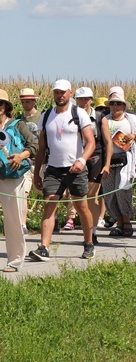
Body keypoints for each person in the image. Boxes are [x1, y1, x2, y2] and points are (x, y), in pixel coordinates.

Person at [30, 80, 96, 262]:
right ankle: (44, 247)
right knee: (50, 205)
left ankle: (89, 243)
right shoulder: (46, 116)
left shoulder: (79, 113)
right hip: (53, 168)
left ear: (70, 93)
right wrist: (37, 173)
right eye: (57, 92)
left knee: (82, 207)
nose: (60, 96)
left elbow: (90, 142)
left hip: (75, 168)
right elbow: (41, 148)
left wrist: (81, 160)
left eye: (63, 92)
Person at [0, 89, 38, 272]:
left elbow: (33, 145)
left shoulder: (19, 125)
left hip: (12, 174)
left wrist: (21, 156)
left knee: (13, 218)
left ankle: (15, 260)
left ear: (7, 106)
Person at [74, 86, 111, 245]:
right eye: (80, 99)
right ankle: (87, 230)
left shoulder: (99, 116)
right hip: (77, 157)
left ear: (91, 100)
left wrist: (107, 164)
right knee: (79, 197)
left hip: (95, 158)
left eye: (86, 99)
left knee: (91, 197)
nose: (83, 102)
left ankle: (92, 232)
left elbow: (108, 141)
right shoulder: (71, 115)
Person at [102, 89, 136, 237]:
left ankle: (127, 219)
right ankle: (119, 221)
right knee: (109, 192)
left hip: (126, 159)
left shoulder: (131, 120)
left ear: (124, 106)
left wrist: (133, 136)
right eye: (113, 103)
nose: (116, 107)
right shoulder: (105, 120)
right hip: (108, 160)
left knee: (122, 189)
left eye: (119, 104)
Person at [19, 87, 41, 234]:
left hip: (41, 159)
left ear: (33, 101)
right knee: (24, 193)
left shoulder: (42, 116)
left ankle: (54, 219)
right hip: (26, 160)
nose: (26, 104)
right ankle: (23, 224)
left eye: (28, 101)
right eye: (23, 102)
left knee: (44, 192)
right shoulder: (19, 120)